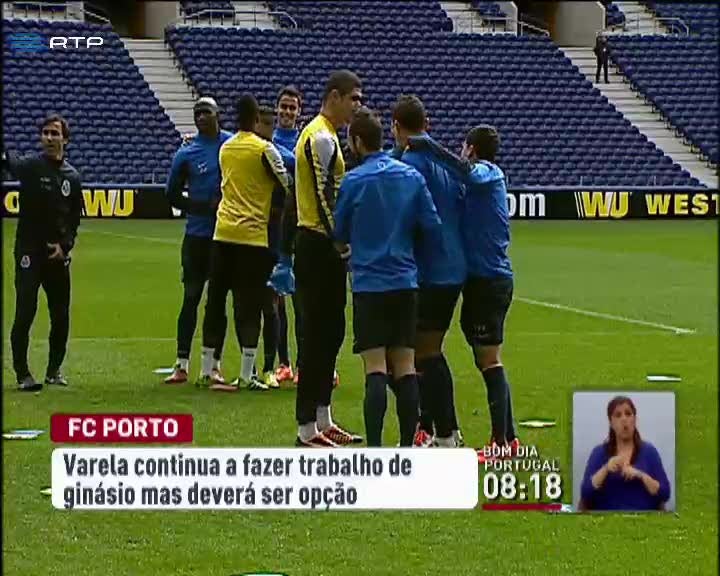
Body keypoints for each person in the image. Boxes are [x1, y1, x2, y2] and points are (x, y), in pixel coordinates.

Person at [407, 125, 518, 461]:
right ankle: (508, 438)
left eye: (463, 147)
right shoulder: (474, 185)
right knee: (484, 357)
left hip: (490, 280)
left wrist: (429, 146)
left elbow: (466, 172)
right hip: (478, 280)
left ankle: (502, 442)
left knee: (489, 359)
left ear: (471, 148)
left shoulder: (488, 173)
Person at [335, 108, 441, 446]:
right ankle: (407, 446)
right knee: (406, 365)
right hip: (404, 282)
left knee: (375, 368)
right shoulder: (410, 177)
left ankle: (375, 448)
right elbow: (432, 225)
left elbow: (339, 232)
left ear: (356, 141)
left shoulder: (353, 180)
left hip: (369, 285)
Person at [196, 94, 291, 391]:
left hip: (222, 233)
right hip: (252, 237)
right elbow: (286, 183)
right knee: (248, 305)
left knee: (215, 301)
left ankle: (207, 369)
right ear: (255, 119)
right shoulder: (264, 149)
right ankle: (248, 373)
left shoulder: (225, 148)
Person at [293, 69, 364, 447]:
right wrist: (341, 242)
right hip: (317, 244)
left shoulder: (329, 135)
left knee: (332, 332)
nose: (358, 106)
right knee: (316, 336)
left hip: (324, 244)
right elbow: (324, 198)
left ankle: (323, 418)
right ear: (334, 96)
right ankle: (306, 427)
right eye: (354, 98)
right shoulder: (319, 136)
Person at [392, 95, 467, 448]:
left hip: (428, 268)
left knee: (421, 353)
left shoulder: (409, 164)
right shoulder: (445, 162)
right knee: (429, 350)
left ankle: (445, 433)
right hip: (453, 266)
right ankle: (440, 429)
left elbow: (410, 218)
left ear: (396, 127)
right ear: (428, 124)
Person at [4, 114, 83, 391]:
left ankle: (53, 371)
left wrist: (65, 246)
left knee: (60, 314)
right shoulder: (31, 166)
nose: (49, 138)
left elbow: (74, 218)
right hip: (29, 251)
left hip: (56, 255)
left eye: (54, 133)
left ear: (65, 139)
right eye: (45, 133)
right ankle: (22, 373)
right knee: (26, 310)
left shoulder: (73, 177)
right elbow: (10, 161)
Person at [164, 97, 233, 385]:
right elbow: (171, 194)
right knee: (191, 297)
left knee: (217, 302)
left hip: (225, 236)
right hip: (196, 237)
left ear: (218, 114)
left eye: (206, 112)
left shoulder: (232, 145)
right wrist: (200, 207)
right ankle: (181, 363)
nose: (201, 117)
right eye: (197, 113)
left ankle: (213, 365)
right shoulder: (187, 153)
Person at [254, 104, 295, 389]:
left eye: (293, 107)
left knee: (298, 301)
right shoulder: (259, 149)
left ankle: (302, 364)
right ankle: (281, 363)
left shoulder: (297, 146)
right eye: (284, 106)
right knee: (272, 301)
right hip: (263, 232)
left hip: (288, 232)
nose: (287, 112)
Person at [580, 396, 671, 511]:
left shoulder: (649, 452)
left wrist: (641, 475)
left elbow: (665, 493)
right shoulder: (599, 453)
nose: (624, 419)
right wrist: (606, 469)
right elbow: (585, 493)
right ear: (611, 423)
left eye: (628, 414)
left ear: (635, 419)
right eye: (618, 415)